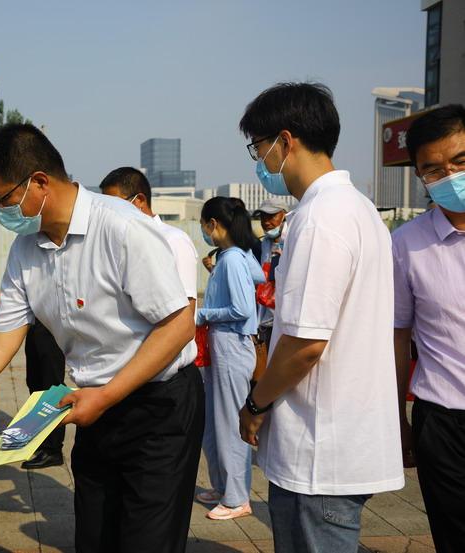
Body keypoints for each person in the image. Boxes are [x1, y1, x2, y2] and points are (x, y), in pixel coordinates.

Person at [0, 123, 204, 553]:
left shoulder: (122, 229)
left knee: (147, 540)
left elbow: (178, 326)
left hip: (158, 408)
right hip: (93, 407)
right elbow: (0, 342)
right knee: (94, 538)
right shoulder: (25, 249)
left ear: (39, 182)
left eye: (2, 199)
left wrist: (107, 395)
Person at [237, 83, 403, 553]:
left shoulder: (319, 218)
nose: (259, 161)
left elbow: (305, 343)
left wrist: (255, 406)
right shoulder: (359, 209)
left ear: (285, 142)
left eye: (258, 147)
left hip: (319, 452)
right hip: (340, 438)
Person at [393, 104, 465, 553]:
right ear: (420, 176)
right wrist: (397, 419)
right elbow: (398, 335)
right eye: (434, 170)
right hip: (442, 421)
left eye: (460, 162)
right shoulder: (406, 244)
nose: (450, 177)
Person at [193, 196, 264, 520]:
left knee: (229, 424)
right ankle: (222, 487)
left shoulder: (233, 258)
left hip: (232, 346)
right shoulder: (232, 256)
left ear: (213, 224)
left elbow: (242, 309)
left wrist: (202, 314)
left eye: (203, 224)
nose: (203, 230)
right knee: (213, 422)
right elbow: (258, 277)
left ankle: (237, 499)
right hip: (221, 346)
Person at [99, 166, 200, 313]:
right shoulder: (118, 241)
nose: (109, 213)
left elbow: (186, 309)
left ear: (140, 200)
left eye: (115, 205)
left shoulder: (174, 240)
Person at [0, 291, 68, 470]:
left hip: (53, 324)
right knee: (35, 383)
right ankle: (41, 439)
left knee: (51, 386)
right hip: (37, 322)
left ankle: (53, 449)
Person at [252, 197, 288, 347]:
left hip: (283, 321)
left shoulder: (292, 239)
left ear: (284, 215)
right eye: (263, 217)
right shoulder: (266, 242)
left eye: (271, 216)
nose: (266, 222)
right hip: (266, 318)